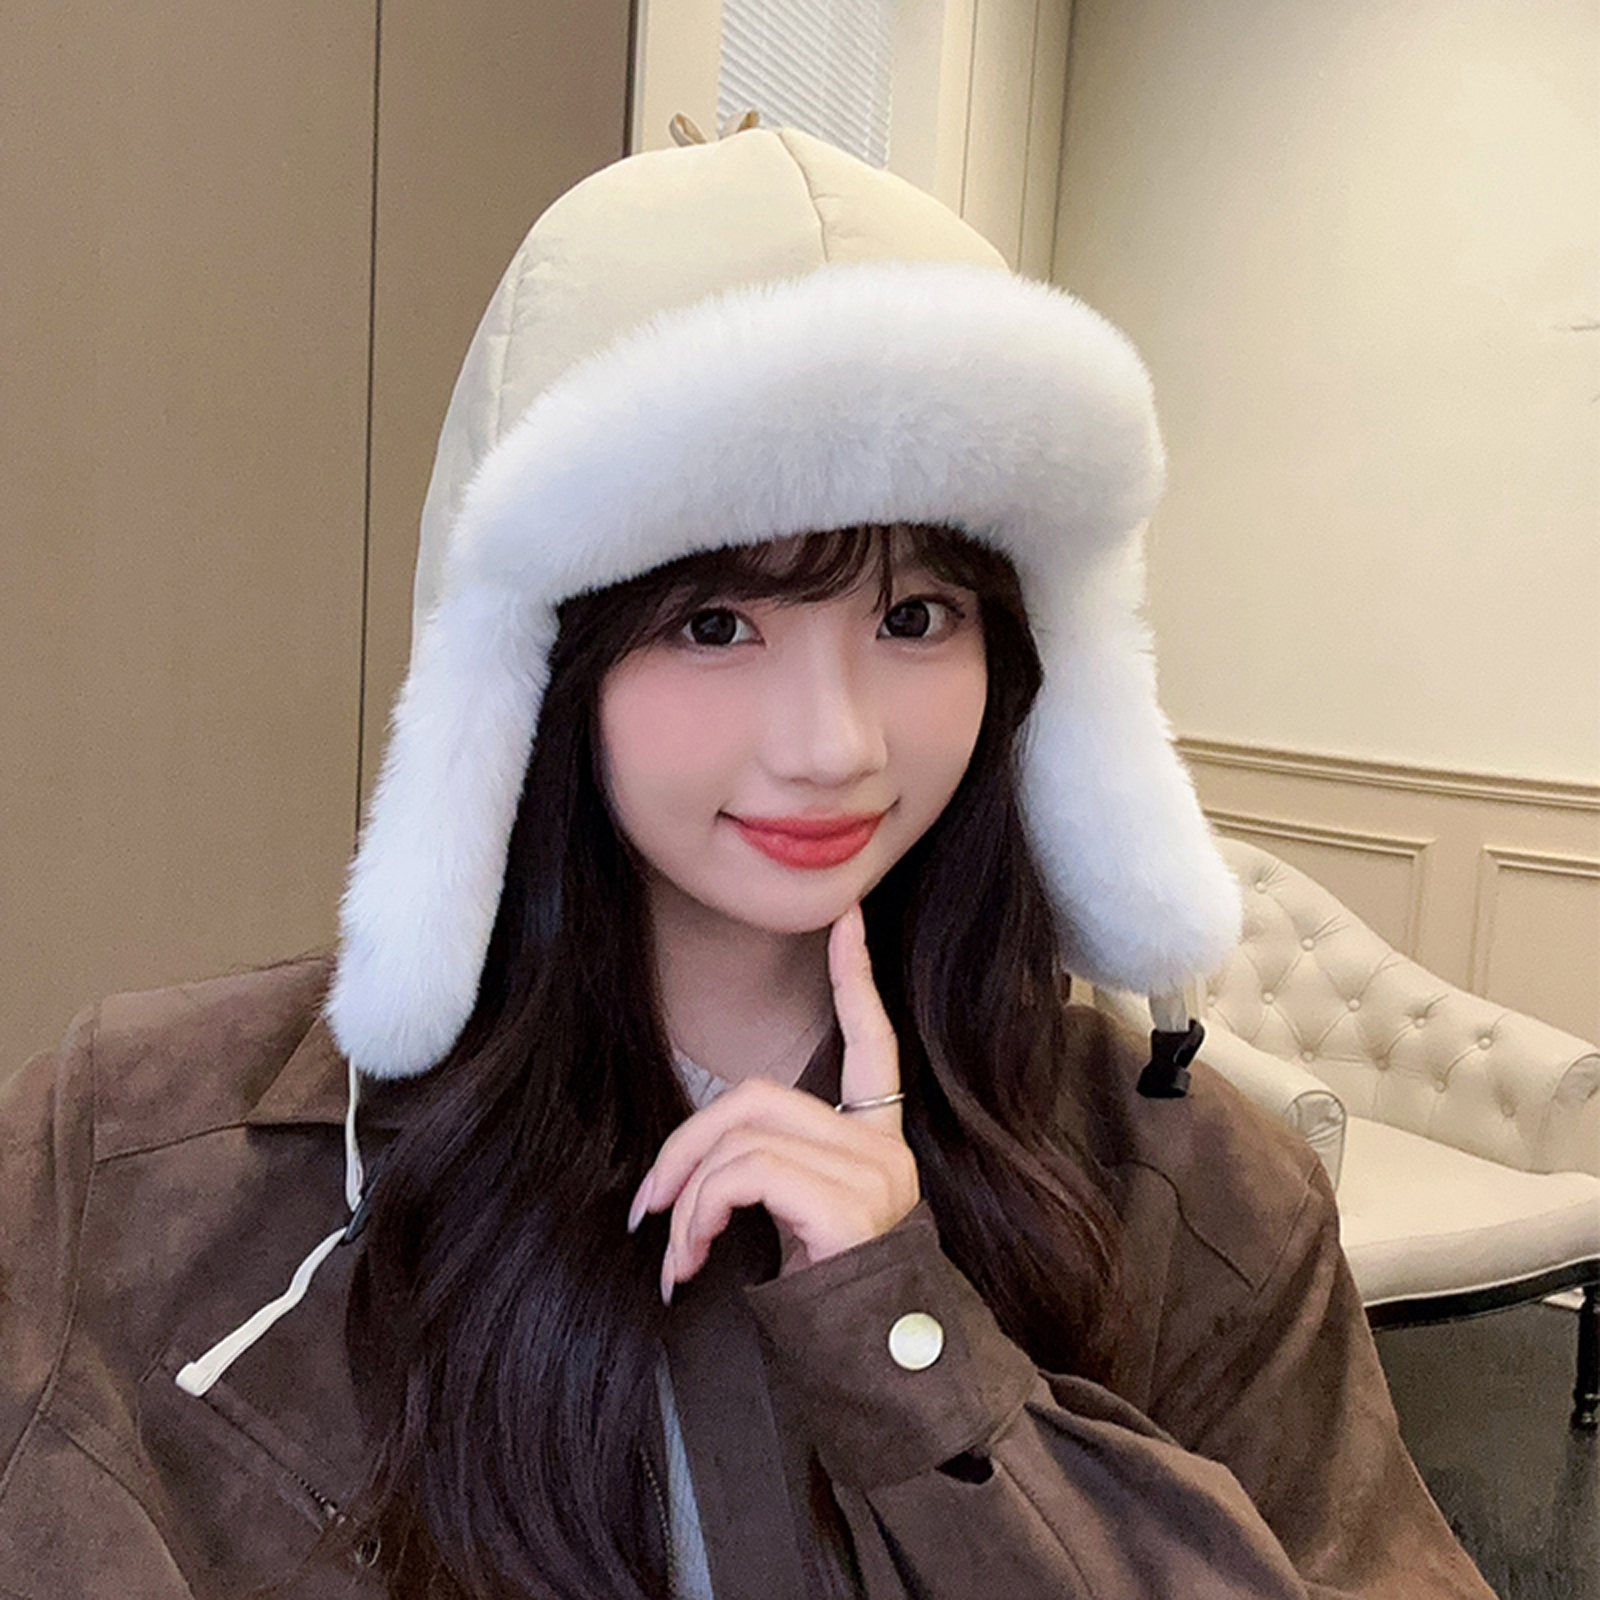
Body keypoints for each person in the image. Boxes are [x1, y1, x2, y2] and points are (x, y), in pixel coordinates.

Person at [0, 124, 1494, 1600]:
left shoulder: (1195, 1193)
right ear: (534, 668)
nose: (833, 744)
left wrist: (923, 1367)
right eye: (715, 624)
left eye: (914, 618)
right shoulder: (143, 1152)